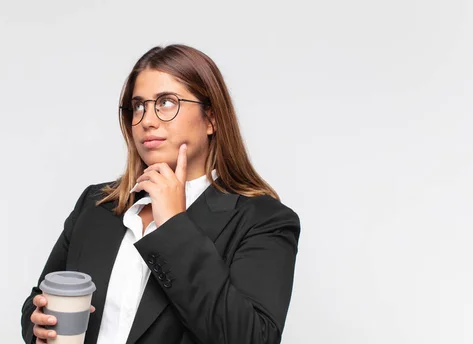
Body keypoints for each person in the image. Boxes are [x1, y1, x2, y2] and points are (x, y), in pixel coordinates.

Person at [21, 44, 301, 344]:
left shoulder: (263, 220)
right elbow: (41, 300)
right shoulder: (96, 206)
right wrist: (37, 323)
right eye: (138, 106)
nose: (147, 120)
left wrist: (173, 227)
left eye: (166, 102)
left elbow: (251, 338)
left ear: (211, 118)